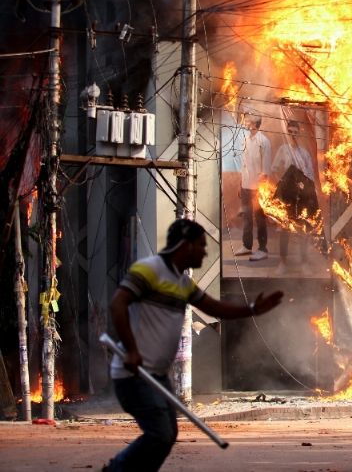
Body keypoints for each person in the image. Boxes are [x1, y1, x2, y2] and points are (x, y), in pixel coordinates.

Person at [105, 219, 284, 472]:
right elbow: (117, 304)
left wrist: (253, 309)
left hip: (156, 375)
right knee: (160, 434)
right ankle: (116, 470)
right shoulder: (149, 270)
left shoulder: (182, 283)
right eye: (201, 245)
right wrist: (132, 350)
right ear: (185, 246)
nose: (205, 251)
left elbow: (214, 307)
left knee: (166, 435)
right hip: (134, 374)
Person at [270, 119, 319, 273]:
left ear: (299, 134)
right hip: (287, 195)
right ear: (287, 132)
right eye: (290, 132)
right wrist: (284, 183)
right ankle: (282, 262)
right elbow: (275, 169)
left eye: (295, 132)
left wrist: (304, 186)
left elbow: (310, 174)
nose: (292, 135)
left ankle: (304, 262)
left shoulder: (304, 153)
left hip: (302, 195)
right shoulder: (283, 150)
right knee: (285, 228)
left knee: (303, 227)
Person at [236, 112, 271, 261]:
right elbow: (244, 165)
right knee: (247, 217)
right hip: (245, 185)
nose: (245, 122)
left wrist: (261, 191)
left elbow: (266, 169)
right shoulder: (245, 139)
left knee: (260, 218)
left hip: (258, 188)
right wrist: (241, 184)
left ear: (256, 124)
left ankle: (263, 249)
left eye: (248, 120)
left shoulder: (264, 141)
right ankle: (247, 246)